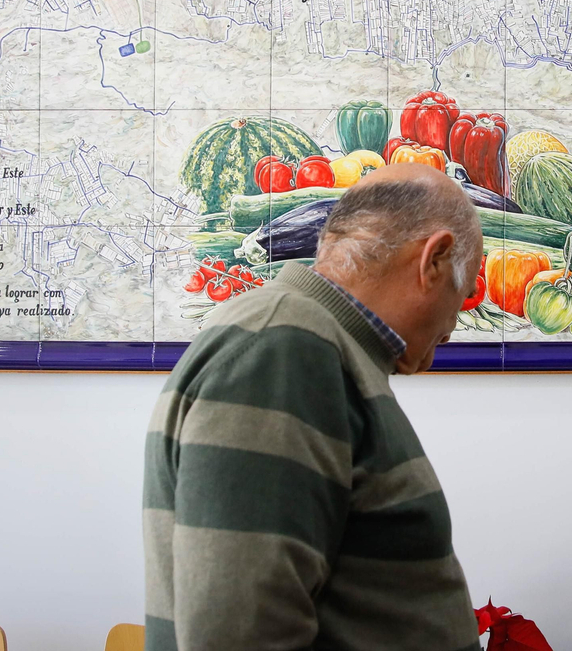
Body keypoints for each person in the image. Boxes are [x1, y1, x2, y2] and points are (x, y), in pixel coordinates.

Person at [143, 163, 483, 651]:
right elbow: (237, 636)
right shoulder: (282, 347)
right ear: (435, 259)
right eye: (463, 292)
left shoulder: (311, 344)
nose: (452, 323)